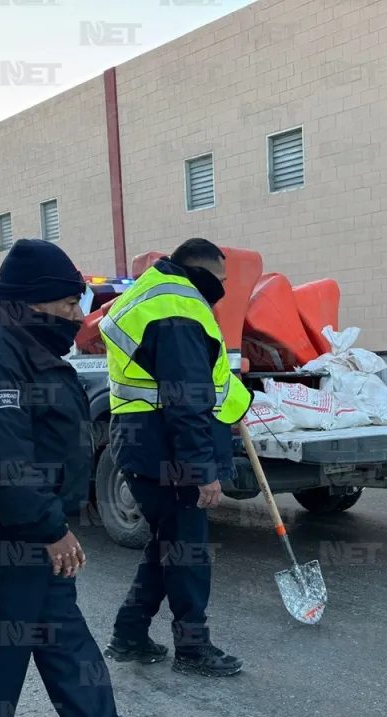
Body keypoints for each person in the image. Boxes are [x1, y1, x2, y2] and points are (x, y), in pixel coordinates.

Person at [0, 238, 174, 717]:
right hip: (4, 537)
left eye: (76, 305)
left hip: (30, 533)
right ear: (28, 303)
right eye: (66, 307)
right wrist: (49, 529)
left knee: (65, 640)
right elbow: (1, 466)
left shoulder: (23, 347)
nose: (75, 318)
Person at [100, 238, 253, 677]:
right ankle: (193, 649)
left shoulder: (154, 293)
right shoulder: (178, 311)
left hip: (143, 443)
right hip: (163, 448)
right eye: (220, 280)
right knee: (186, 553)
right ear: (201, 271)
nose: (222, 289)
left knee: (169, 545)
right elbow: (185, 402)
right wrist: (203, 472)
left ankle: (129, 635)